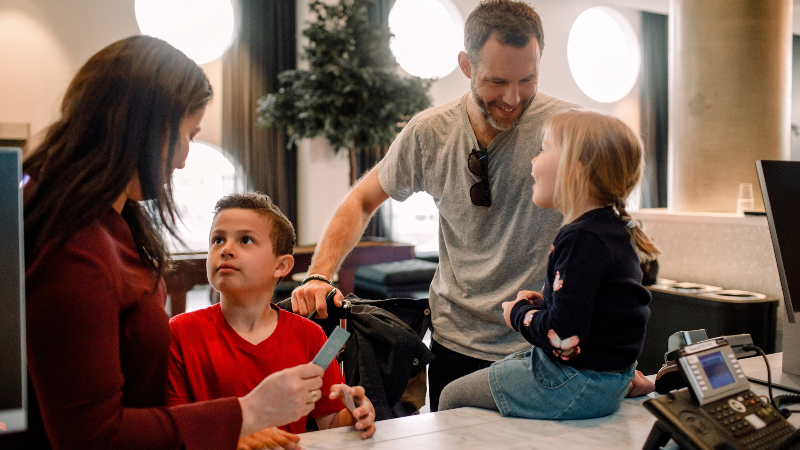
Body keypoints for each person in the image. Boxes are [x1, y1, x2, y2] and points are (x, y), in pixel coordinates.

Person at [7, 36, 325, 450]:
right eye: (188, 134)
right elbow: (93, 438)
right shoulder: (74, 249)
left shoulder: (116, 223)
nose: (183, 159)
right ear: (147, 126)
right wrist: (248, 413)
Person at [291, 0, 582, 411]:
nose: (513, 98)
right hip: (455, 345)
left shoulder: (569, 130)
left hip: (543, 344)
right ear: (466, 65)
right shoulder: (430, 133)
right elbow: (361, 199)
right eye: (497, 81)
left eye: (527, 80)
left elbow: (608, 230)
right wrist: (320, 275)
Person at [438, 109, 660, 418]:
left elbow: (563, 336)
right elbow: (598, 308)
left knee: (452, 396)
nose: (533, 161)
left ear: (575, 171)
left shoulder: (581, 239)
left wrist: (518, 314)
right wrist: (547, 303)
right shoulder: (610, 230)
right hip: (610, 378)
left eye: (543, 149)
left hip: (575, 382)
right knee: (504, 369)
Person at [167, 192, 376, 449]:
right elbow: (173, 428)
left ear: (281, 266)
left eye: (245, 240)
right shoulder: (179, 332)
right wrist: (233, 437)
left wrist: (356, 415)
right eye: (217, 240)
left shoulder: (310, 335)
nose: (226, 250)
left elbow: (330, 421)